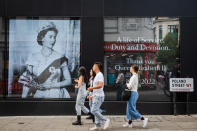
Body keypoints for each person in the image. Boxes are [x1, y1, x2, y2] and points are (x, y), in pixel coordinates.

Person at [18, 22, 71, 98]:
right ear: (42, 38)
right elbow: (27, 82)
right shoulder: (33, 57)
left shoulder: (60, 57)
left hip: (57, 95)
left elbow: (68, 81)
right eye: (50, 37)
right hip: (39, 95)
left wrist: (51, 85)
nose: (53, 40)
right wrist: (23, 100)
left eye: (54, 37)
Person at [88, 62, 110, 130]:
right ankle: (97, 125)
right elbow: (97, 87)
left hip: (99, 96)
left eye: (94, 65)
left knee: (93, 110)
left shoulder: (100, 75)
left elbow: (100, 85)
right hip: (96, 96)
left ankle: (106, 120)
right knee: (96, 110)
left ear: (97, 67)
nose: (93, 67)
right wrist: (92, 95)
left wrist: (91, 88)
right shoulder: (97, 75)